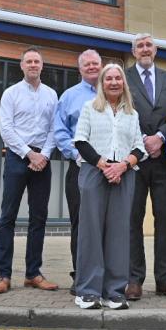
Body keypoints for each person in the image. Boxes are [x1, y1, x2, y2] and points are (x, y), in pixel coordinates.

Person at [73, 63, 147, 310]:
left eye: (118, 78)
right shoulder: (90, 108)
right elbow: (81, 141)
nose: (114, 82)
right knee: (91, 232)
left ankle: (114, 292)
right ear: (101, 83)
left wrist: (122, 167)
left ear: (123, 83)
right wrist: (106, 166)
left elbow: (140, 147)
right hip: (95, 172)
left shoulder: (132, 114)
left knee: (119, 234)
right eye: (109, 79)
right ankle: (87, 291)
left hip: (124, 175)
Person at [0, 47, 59, 294]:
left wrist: (43, 155)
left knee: (38, 218)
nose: (33, 65)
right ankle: (4, 275)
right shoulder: (11, 94)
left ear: (42, 66)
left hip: (43, 159)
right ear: (21, 66)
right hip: (17, 157)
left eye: (37, 61)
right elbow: (6, 129)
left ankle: (33, 273)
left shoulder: (52, 95)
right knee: (7, 217)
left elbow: (55, 129)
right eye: (28, 61)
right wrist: (29, 154)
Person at [124, 33, 166, 300]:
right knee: (132, 220)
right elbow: (120, 112)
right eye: (140, 46)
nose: (145, 49)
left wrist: (160, 137)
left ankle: (165, 278)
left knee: (165, 219)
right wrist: (142, 142)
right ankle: (133, 279)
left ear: (155, 50)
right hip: (134, 161)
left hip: (163, 162)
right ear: (134, 51)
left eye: (149, 45)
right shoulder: (123, 77)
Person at [54, 49, 102, 293]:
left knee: (107, 223)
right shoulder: (70, 96)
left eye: (96, 63)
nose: (92, 67)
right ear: (80, 68)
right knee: (81, 224)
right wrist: (76, 155)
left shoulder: (112, 91)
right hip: (79, 167)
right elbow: (60, 131)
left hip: (109, 169)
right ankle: (80, 275)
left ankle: (105, 275)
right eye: (87, 64)